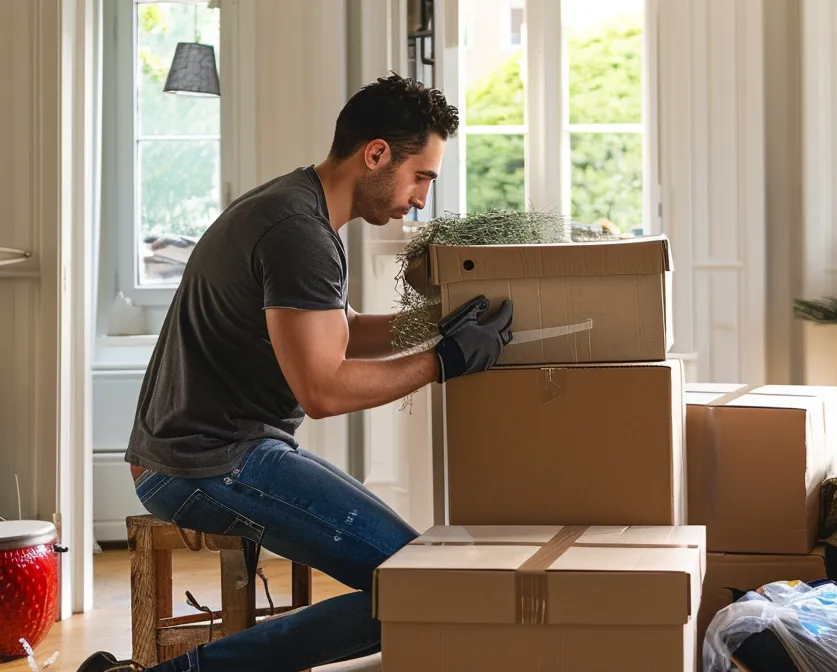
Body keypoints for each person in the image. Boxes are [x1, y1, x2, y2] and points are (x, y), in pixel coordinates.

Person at [77, 75, 513, 672]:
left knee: (417, 579)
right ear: (376, 154)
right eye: (422, 177)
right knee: (422, 590)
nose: (420, 199)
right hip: (205, 463)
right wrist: (446, 361)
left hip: (216, 450)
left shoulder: (295, 206)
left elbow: (338, 327)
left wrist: (437, 322)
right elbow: (323, 389)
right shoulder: (298, 234)